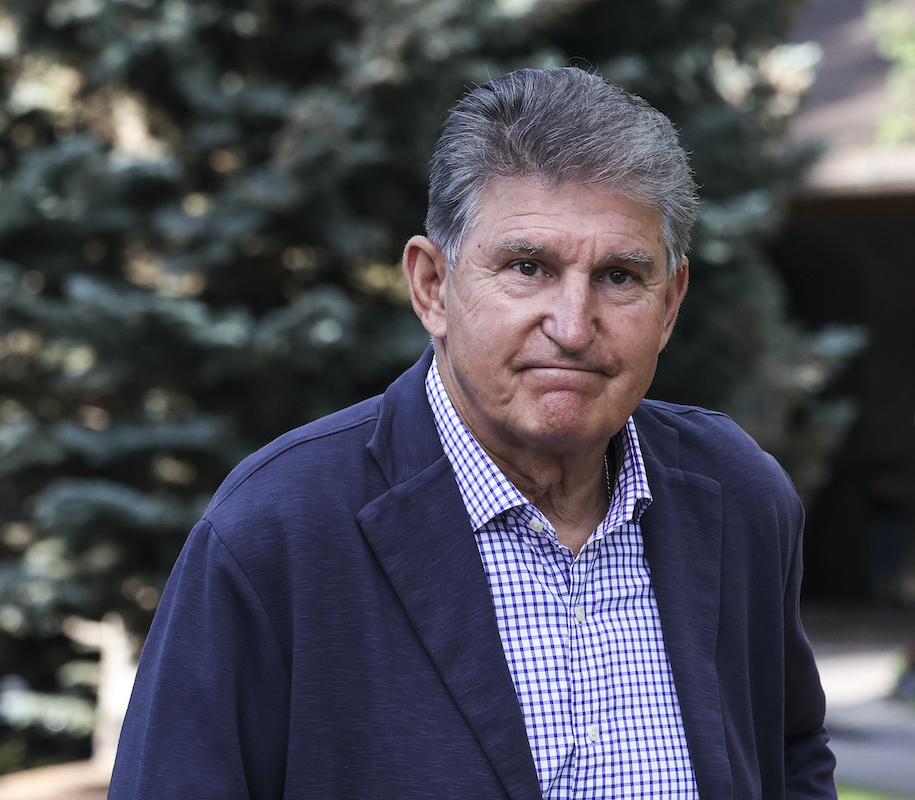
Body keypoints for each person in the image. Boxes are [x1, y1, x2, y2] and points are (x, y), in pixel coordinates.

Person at [108, 67, 836, 799]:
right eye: (528, 268)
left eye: (619, 276)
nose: (574, 326)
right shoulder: (277, 533)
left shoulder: (738, 497)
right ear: (432, 287)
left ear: (670, 303)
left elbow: (791, 753)